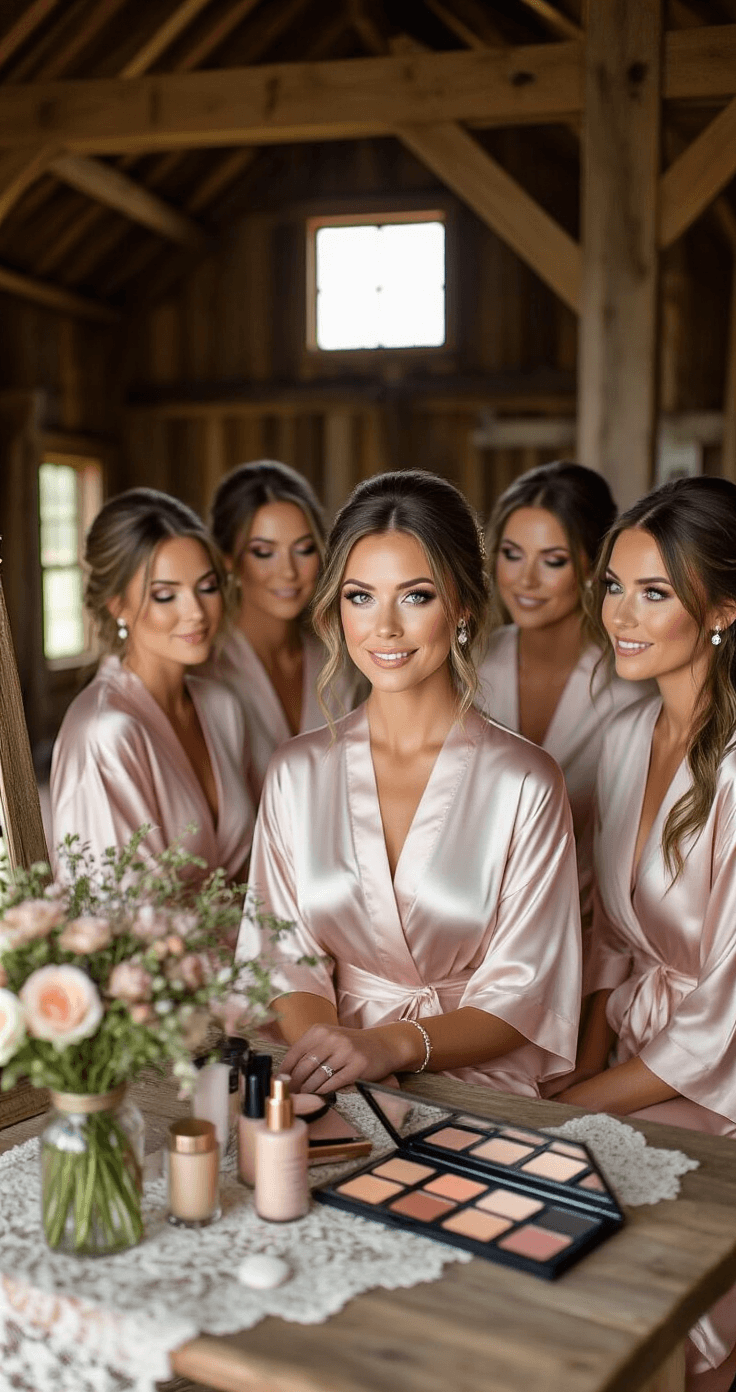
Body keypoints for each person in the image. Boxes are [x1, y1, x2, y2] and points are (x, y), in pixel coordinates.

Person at [236, 469, 581, 1097]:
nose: (384, 627)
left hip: (476, 1078)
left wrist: (390, 1048)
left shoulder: (526, 782)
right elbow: (280, 956)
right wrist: (337, 1058)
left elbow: (525, 989)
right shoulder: (295, 773)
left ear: (465, 607)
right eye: (360, 596)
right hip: (326, 1068)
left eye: (416, 596)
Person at [554, 476, 736, 1392]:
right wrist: (572, 1076)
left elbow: (717, 1022)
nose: (621, 614)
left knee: (606, 1218)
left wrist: (585, 1104)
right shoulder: (627, 734)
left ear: (724, 609)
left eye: (654, 592)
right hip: (641, 1049)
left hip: (724, 1082)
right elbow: (612, 939)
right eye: (615, 586)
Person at [51, 488, 254, 881]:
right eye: (165, 595)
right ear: (118, 606)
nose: (195, 612)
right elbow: (115, 914)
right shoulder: (104, 734)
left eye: (207, 587)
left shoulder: (222, 708)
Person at [478, 461, 653, 902]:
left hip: (593, 928)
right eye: (512, 554)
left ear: (594, 566)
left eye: (552, 561)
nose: (525, 579)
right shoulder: (465, 671)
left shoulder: (633, 690)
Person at [207, 460, 359, 801]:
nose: (289, 571)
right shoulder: (206, 670)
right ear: (228, 559)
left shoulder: (340, 662)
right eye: (264, 552)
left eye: (304, 549)